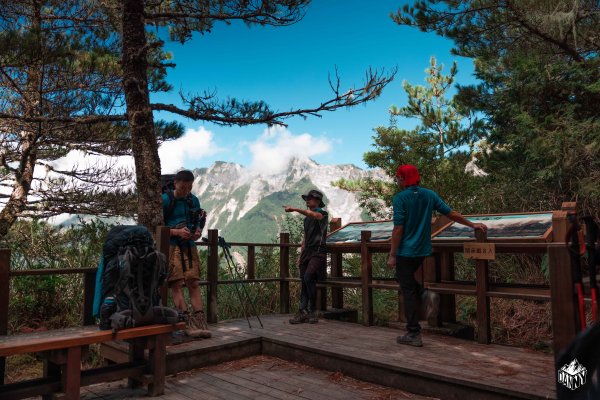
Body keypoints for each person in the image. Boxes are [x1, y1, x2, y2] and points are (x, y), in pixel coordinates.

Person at [387, 165, 487, 347]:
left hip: (405, 251)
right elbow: (451, 213)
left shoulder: (400, 198)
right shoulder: (429, 195)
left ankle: (413, 332)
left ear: (403, 179)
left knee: (407, 290)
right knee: (405, 279)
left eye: (398, 178)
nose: (397, 181)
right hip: (422, 250)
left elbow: (398, 228)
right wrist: (472, 225)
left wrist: (392, 254)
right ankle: (425, 295)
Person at [162, 170, 211, 338]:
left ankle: (200, 321)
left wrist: (197, 231)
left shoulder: (193, 200)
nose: (186, 191)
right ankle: (186, 322)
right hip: (171, 246)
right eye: (183, 187)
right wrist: (176, 232)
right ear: (175, 183)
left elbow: (198, 219)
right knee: (176, 283)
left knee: (194, 282)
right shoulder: (166, 200)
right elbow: (156, 228)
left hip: (189, 245)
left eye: (189, 187)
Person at [283, 189, 329, 324]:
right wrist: (301, 254)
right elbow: (306, 237)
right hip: (307, 252)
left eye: (310, 198)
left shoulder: (323, 214)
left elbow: (314, 215)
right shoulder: (306, 220)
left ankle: (313, 309)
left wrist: (295, 209)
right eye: (307, 198)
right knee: (304, 280)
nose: (307, 200)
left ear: (318, 201)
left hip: (318, 251)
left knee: (308, 277)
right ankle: (303, 311)